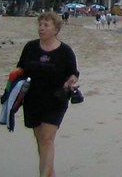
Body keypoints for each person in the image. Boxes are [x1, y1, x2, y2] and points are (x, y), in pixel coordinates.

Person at [15, 11, 80, 177]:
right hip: (32, 100)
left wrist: (70, 82)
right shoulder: (30, 47)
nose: (41, 28)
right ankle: (49, 173)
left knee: (46, 139)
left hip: (55, 100)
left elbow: (73, 73)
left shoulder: (65, 51)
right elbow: (20, 70)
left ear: (56, 29)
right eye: (40, 25)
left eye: (46, 25)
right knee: (40, 140)